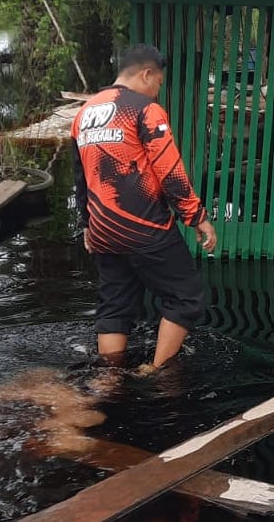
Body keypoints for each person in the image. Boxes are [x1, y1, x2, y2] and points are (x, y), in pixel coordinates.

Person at [71, 44, 217, 371]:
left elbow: (81, 178)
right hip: (144, 228)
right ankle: (156, 371)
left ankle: (108, 378)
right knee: (186, 297)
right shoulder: (144, 109)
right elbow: (170, 171)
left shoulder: (83, 115)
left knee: (115, 306)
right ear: (146, 74)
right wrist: (197, 217)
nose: (158, 90)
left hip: (103, 231)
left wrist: (87, 226)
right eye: (159, 82)